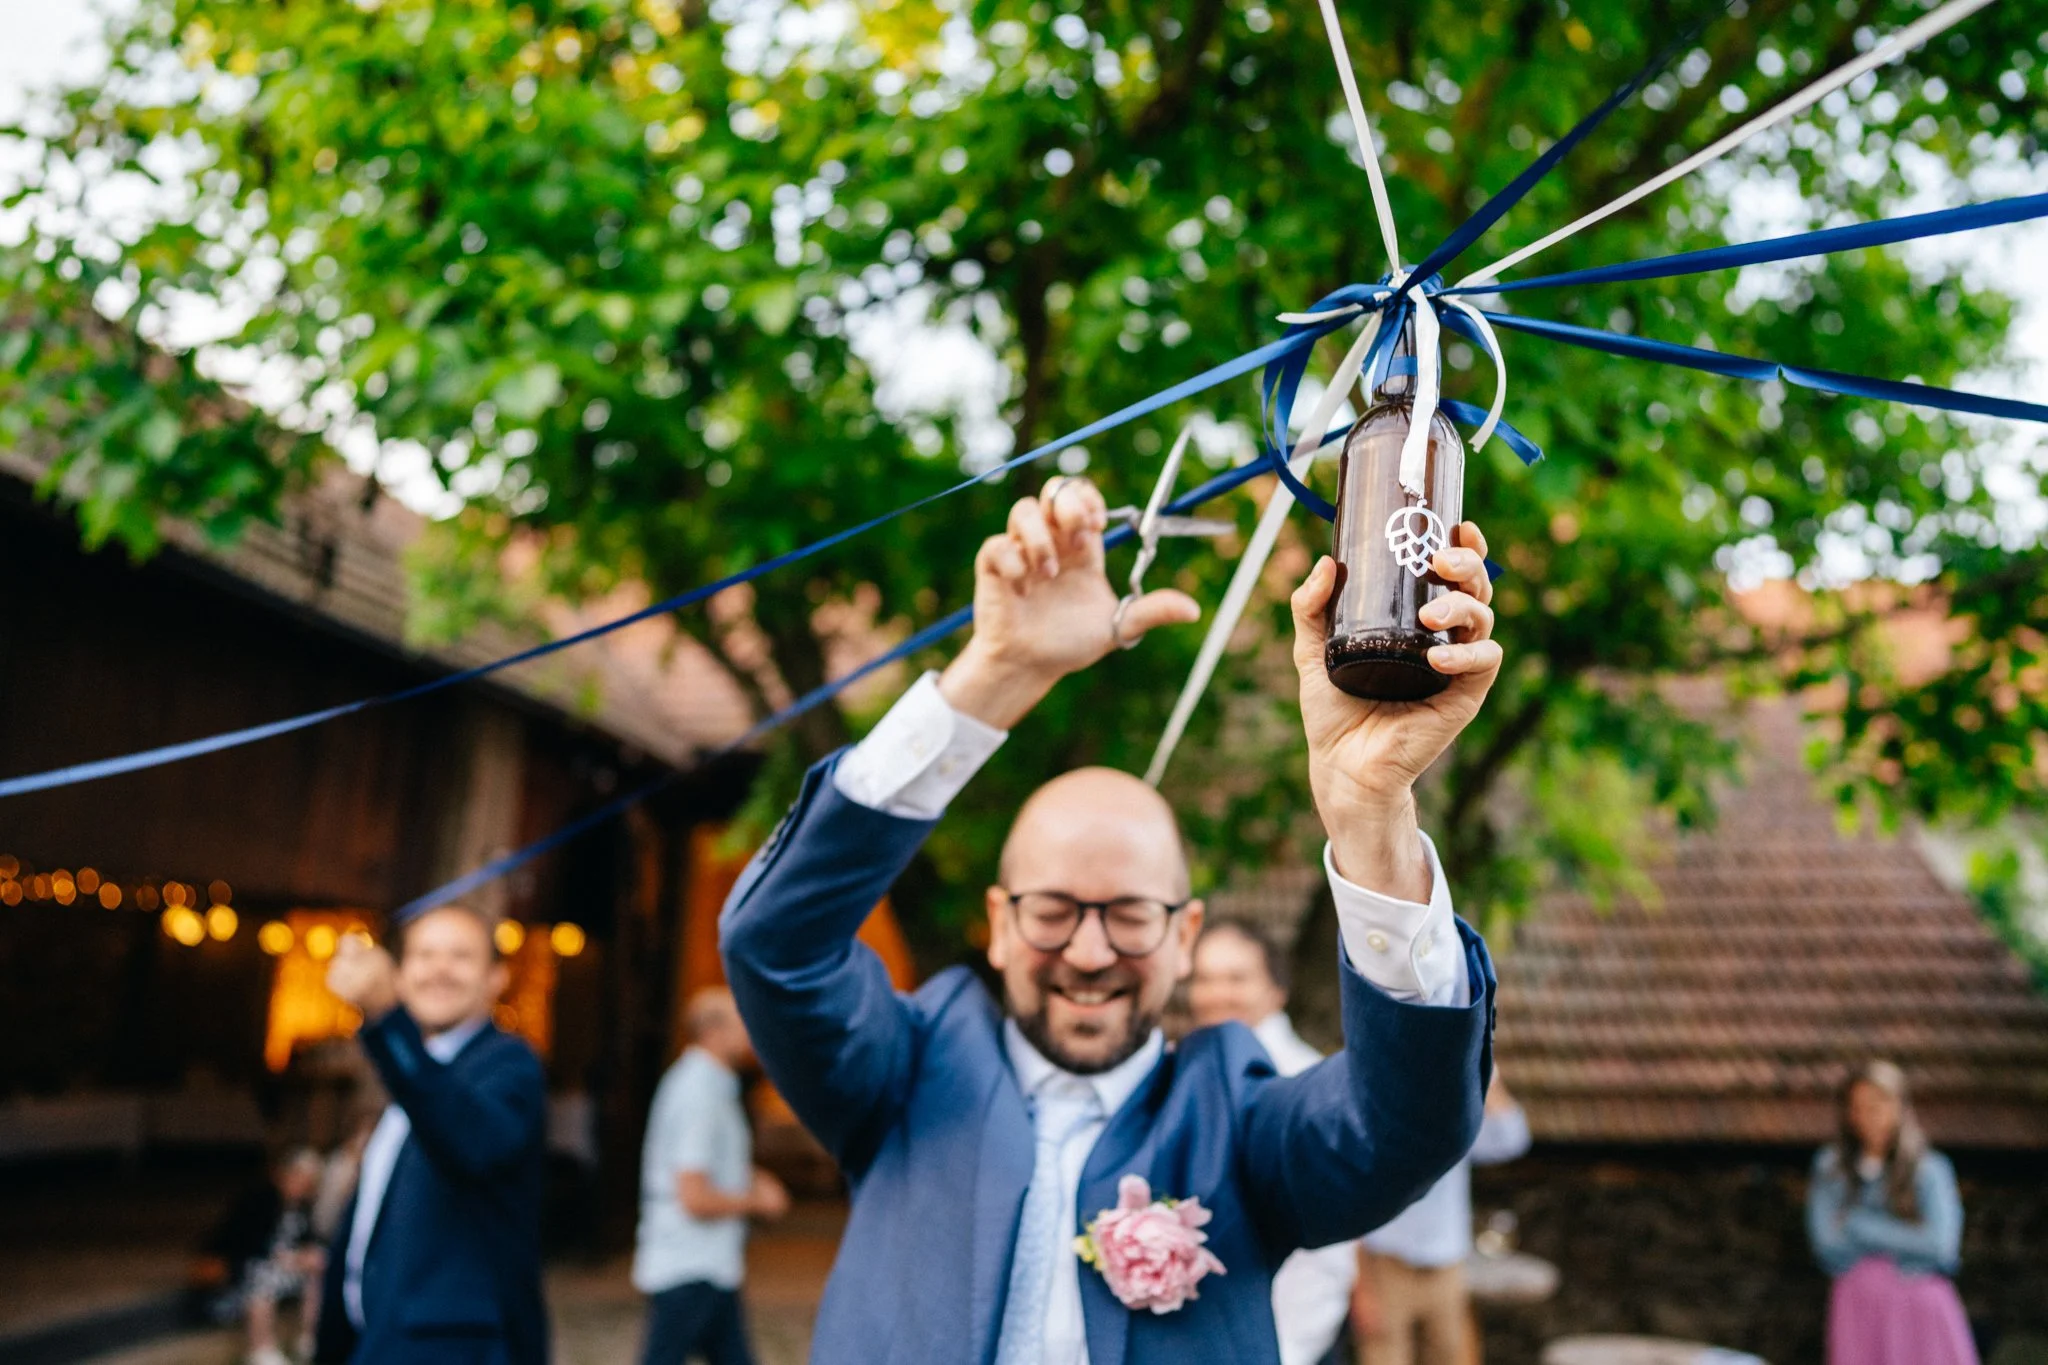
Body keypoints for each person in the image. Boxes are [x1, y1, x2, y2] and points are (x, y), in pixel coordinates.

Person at [720, 475, 1504, 1364]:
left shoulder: (1240, 1123)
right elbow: (775, 942)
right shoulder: (896, 1075)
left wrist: (1371, 818)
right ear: (999, 923)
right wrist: (997, 672)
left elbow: (1410, 1123)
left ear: (1184, 933)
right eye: (1052, 912)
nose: (1088, 952)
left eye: (1130, 916)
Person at [314, 906, 550, 1365]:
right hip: (377, 1339)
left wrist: (386, 1017)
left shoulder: (509, 1064)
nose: (439, 969)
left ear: (496, 977)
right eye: (424, 955)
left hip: (453, 1348)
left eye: (461, 956)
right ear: (401, 973)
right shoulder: (414, 1073)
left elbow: (469, 1139)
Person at [1188, 921, 1358, 1365]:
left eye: (1236, 978)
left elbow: (1326, 1250)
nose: (1215, 993)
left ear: (1276, 990)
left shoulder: (1303, 1085)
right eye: (1203, 978)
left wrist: (1288, 1352)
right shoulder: (1183, 1072)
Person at [633, 987, 791, 1365]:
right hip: (690, 1262)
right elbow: (694, 1194)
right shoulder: (698, 1093)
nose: (752, 1032)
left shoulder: (710, 1086)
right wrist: (757, 1201)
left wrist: (752, 1176)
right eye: (743, 1023)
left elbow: (708, 1164)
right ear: (714, 1032)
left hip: (710, 1262)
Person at [1807, 1060, 1977, 1365]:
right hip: (1858, 1309)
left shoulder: (1930, 1169)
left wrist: (1860, 1226)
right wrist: (1906, 1240)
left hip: (1920, 1311)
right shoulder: (1832, 1168)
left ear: (1899, 1107)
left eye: (1877, 1106)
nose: (1867, 1118)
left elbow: (1940, 1245)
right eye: (1857, 1108)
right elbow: (1827, 1245)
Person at [1353, 1075, 1529, 1365]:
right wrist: (1362, 1287)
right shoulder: (1377, 1116)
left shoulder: (1455, 1122)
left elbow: (1511, 1139)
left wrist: (1490, 1077)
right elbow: (1354, 1206)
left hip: (1446, 1270)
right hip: (1387, 1267)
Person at [196, 1147, 328, 1365]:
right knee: (263, 1281)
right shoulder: (260, 1200)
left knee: (318, 1269)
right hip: (248, 1266)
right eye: (299, 1178)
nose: (302, 1186)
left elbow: (308, 1238)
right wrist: (290, 1257)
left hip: (284, 1267)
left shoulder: (301, 1206)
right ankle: (261, 1348)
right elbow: (245, 1243)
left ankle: (310, 1337)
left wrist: (308, 1254)